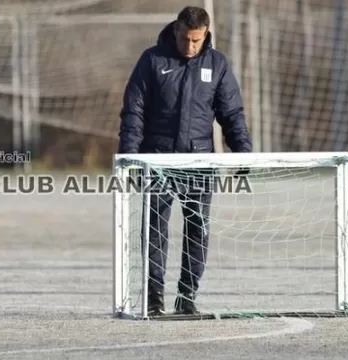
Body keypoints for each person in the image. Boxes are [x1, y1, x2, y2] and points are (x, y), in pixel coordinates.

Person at [117, 6, 252, 316]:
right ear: (176, 30)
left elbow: (231, 113)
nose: (190, 47)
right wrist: (129, 155)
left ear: (205, 35)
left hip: (199, 162)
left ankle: (187, 295)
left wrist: (243, 151)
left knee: (198, 228)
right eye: (186, 39)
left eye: (197, 40)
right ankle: (154, 298)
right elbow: (133, 111)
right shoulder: (151, 60)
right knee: (155, 230)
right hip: (158, 160)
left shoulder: (216, 64)